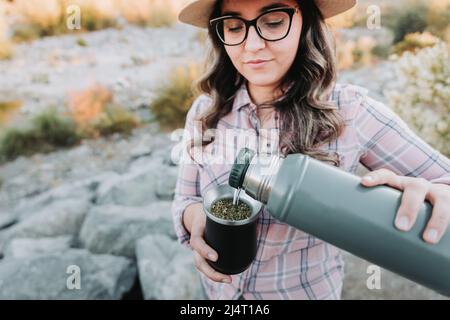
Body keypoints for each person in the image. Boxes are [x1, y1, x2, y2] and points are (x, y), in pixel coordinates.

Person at [171, 0, 450, 300]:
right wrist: (197, 218)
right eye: (235, 27)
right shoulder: (205, 112)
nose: (252, 45)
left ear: (307, 23)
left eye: (274, 22)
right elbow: (185, 198)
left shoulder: (351, 111)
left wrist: (435, 193)